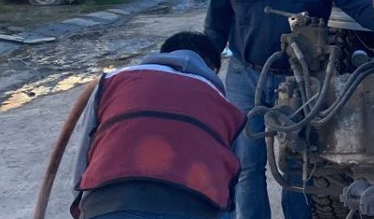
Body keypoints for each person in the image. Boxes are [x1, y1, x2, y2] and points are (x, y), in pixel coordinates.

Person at [205, 0, 374, 219]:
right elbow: (215, 25)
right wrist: (201, 69)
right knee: (247, 165)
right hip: (246, 77)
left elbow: (362, 8)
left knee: (299, 167)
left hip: (303, 83)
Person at [70, 31, 246, 219]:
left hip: (108, 206)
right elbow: (228, 190)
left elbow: (85, 158)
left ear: (164, 55)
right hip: (191, 209)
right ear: (212, 69)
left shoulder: (112, 83)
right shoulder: (225, 108)